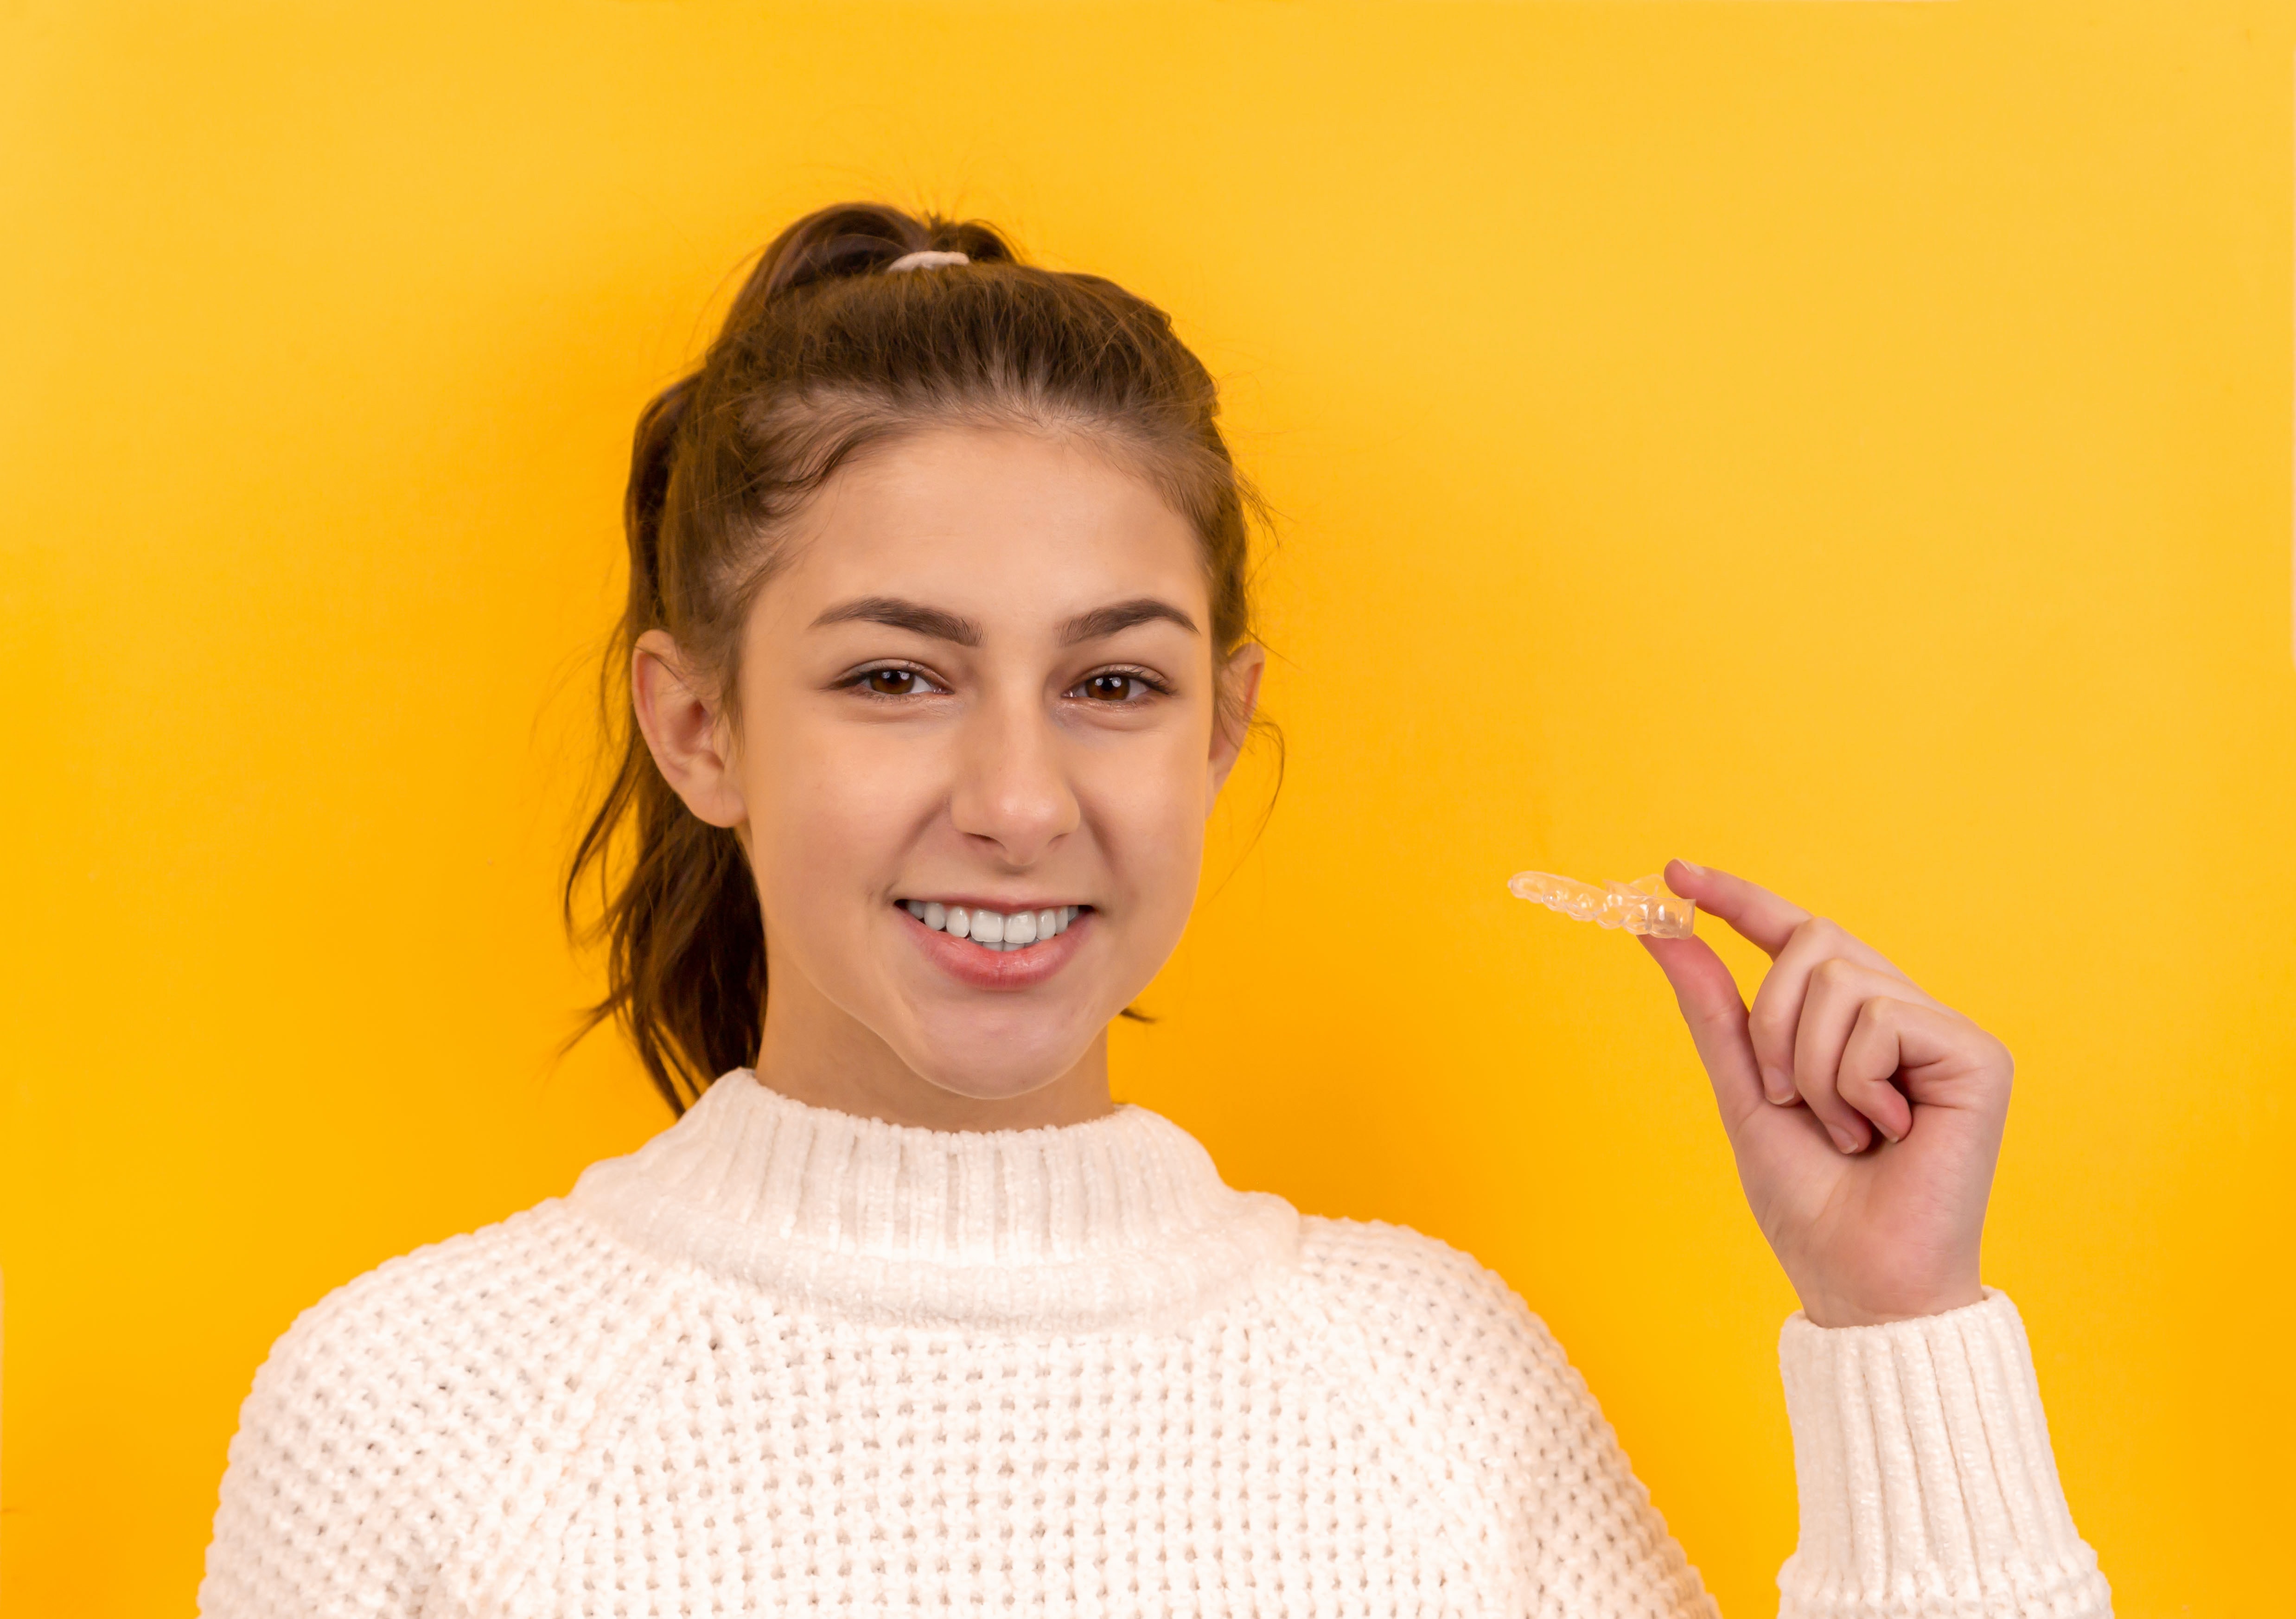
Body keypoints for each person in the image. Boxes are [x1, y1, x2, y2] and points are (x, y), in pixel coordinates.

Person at [197, 204, 2111, 1617]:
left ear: (1219, 729)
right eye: (892, 678)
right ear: (697, 725)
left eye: (1111, 685)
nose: (1019, 803)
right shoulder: (415, 1411)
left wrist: (1897, 1329)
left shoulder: (1431, 1383)